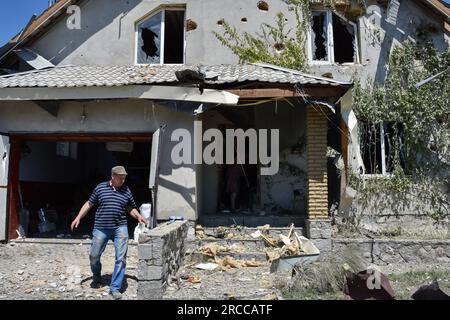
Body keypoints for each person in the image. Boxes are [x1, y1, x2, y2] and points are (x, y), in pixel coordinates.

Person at [71, 166, 148, 300]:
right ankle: (96, 275)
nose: (123, 180)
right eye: (120, 178)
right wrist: (78, 217)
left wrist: (138, 216)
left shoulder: (126, 190)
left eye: (124, 178)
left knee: (121, 258)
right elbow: (89, 204)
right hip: (101, 228)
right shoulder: (100, 188)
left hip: (120, 227)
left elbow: (130, 207)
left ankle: (115, 288)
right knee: (94, 256)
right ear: (113, 176)